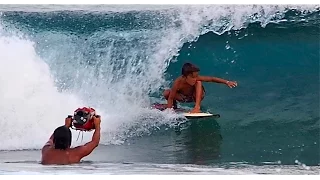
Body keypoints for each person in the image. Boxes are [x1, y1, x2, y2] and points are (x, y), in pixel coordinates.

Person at [163, 62, 238, 113]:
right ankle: (174, 107)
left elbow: (211, 79)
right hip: (185, 98)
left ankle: (197, 107)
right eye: (194, 76)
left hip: (195, 96)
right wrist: (170, 112)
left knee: (198, 82)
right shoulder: (178, 82)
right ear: (187, 76)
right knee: (167, 93)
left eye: (196, 76)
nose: (196, 78)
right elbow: (171, 97)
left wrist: (227, 82)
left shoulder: (196, 79)